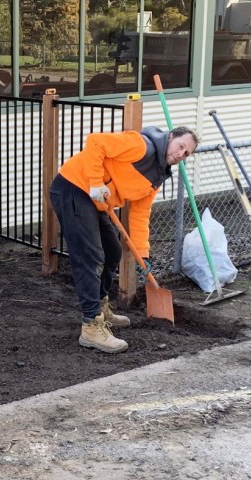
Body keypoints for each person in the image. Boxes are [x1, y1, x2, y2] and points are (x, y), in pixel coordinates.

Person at [50, 126, 198, 353]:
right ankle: (91, 326)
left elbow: (140, 216)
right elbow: (96, 142)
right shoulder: (141, 146)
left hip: (95, 200)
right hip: (74, 187)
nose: (181, 154)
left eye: (187, 153)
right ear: (170, 137)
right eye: (181, 146)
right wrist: (96, 181)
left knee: (112, 252)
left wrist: (143, 253)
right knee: (91, 256)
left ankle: (101, 306)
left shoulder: (157, 176)